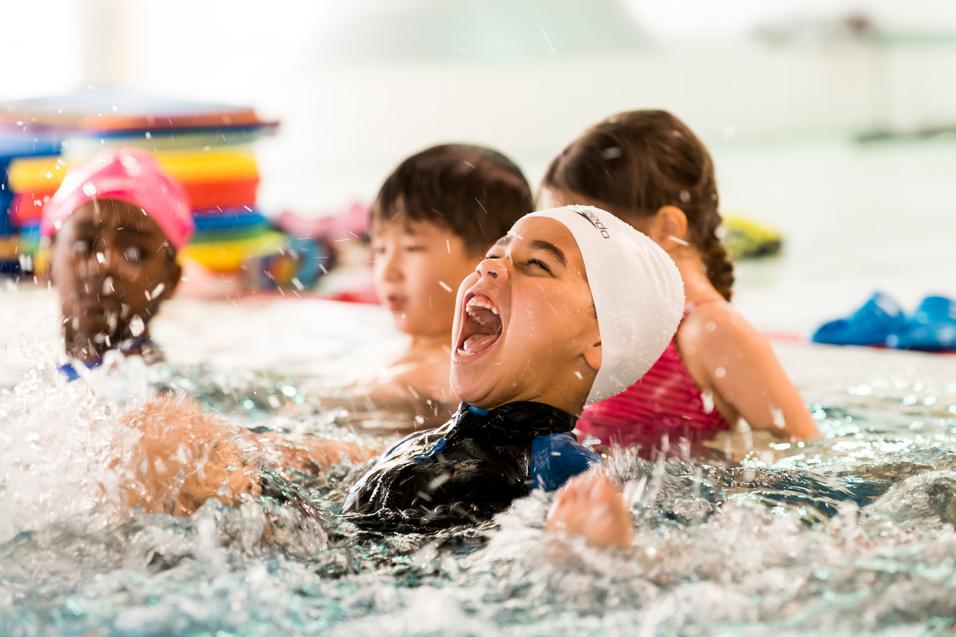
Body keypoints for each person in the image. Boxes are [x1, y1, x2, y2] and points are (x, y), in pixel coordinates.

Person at [116, 205, 684, 531]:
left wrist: (593, 551)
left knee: (163, 443)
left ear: (597, 341)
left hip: (351, 576)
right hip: (335, 549)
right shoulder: (438, 437)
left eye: (536, 265)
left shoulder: (561, 467)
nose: (492, 269)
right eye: (495, 253)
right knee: (164, 440)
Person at [539, 110, 820, 453]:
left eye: (590, 233)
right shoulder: (619, 323)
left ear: (668, 228)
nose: (572, 251)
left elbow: (805, 453)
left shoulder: (710, 330)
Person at [362, 144, 533, 424]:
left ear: (490, 260)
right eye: (380, 249)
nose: (388, 271)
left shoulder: (459, 379)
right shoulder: (404, 352)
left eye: (412, 248)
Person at [42, 148, 193, 380]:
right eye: (84, 245)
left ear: (171, 280)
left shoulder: (176, 401)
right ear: (49, 263)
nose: (105, 264)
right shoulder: (28, 381)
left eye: (134, 253)